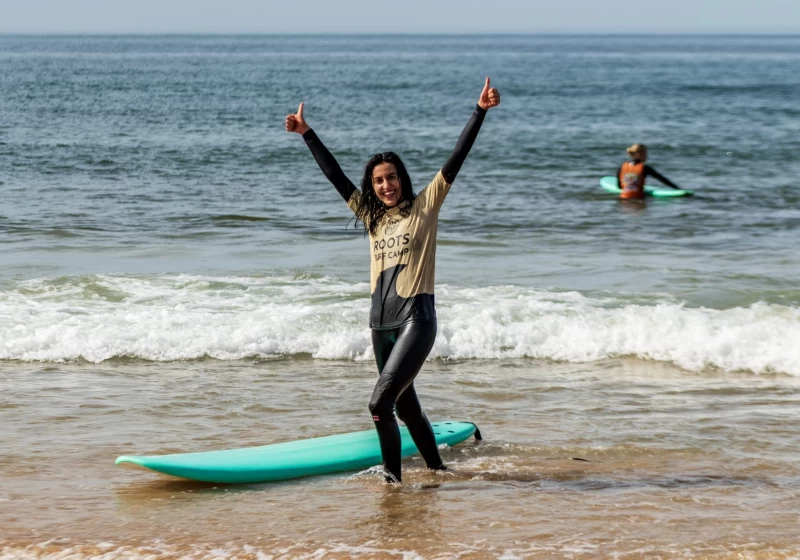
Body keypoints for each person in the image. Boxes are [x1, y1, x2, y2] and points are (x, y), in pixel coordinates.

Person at [285, 78, 500, 483]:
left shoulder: (425, 205)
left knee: (379, 404)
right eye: (379, 180)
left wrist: (480, 110)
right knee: (404, 407)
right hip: (379, 324)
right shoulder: (372, 218)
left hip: (417, 319)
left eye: (392, 177)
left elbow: (457, 157)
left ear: (402, 178)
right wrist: (306, 134)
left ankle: (392, 479)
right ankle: (437, 469)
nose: (386, 185)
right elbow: (337, 178)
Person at [616, 143, 682, 199]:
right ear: (639, 154)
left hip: (623, 199)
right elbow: (662, 179)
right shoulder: (644, 168)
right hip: (638, 199)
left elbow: (619, 186)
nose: (647, 156)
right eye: (645, 153)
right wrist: (678, 189)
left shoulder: (623, 166)